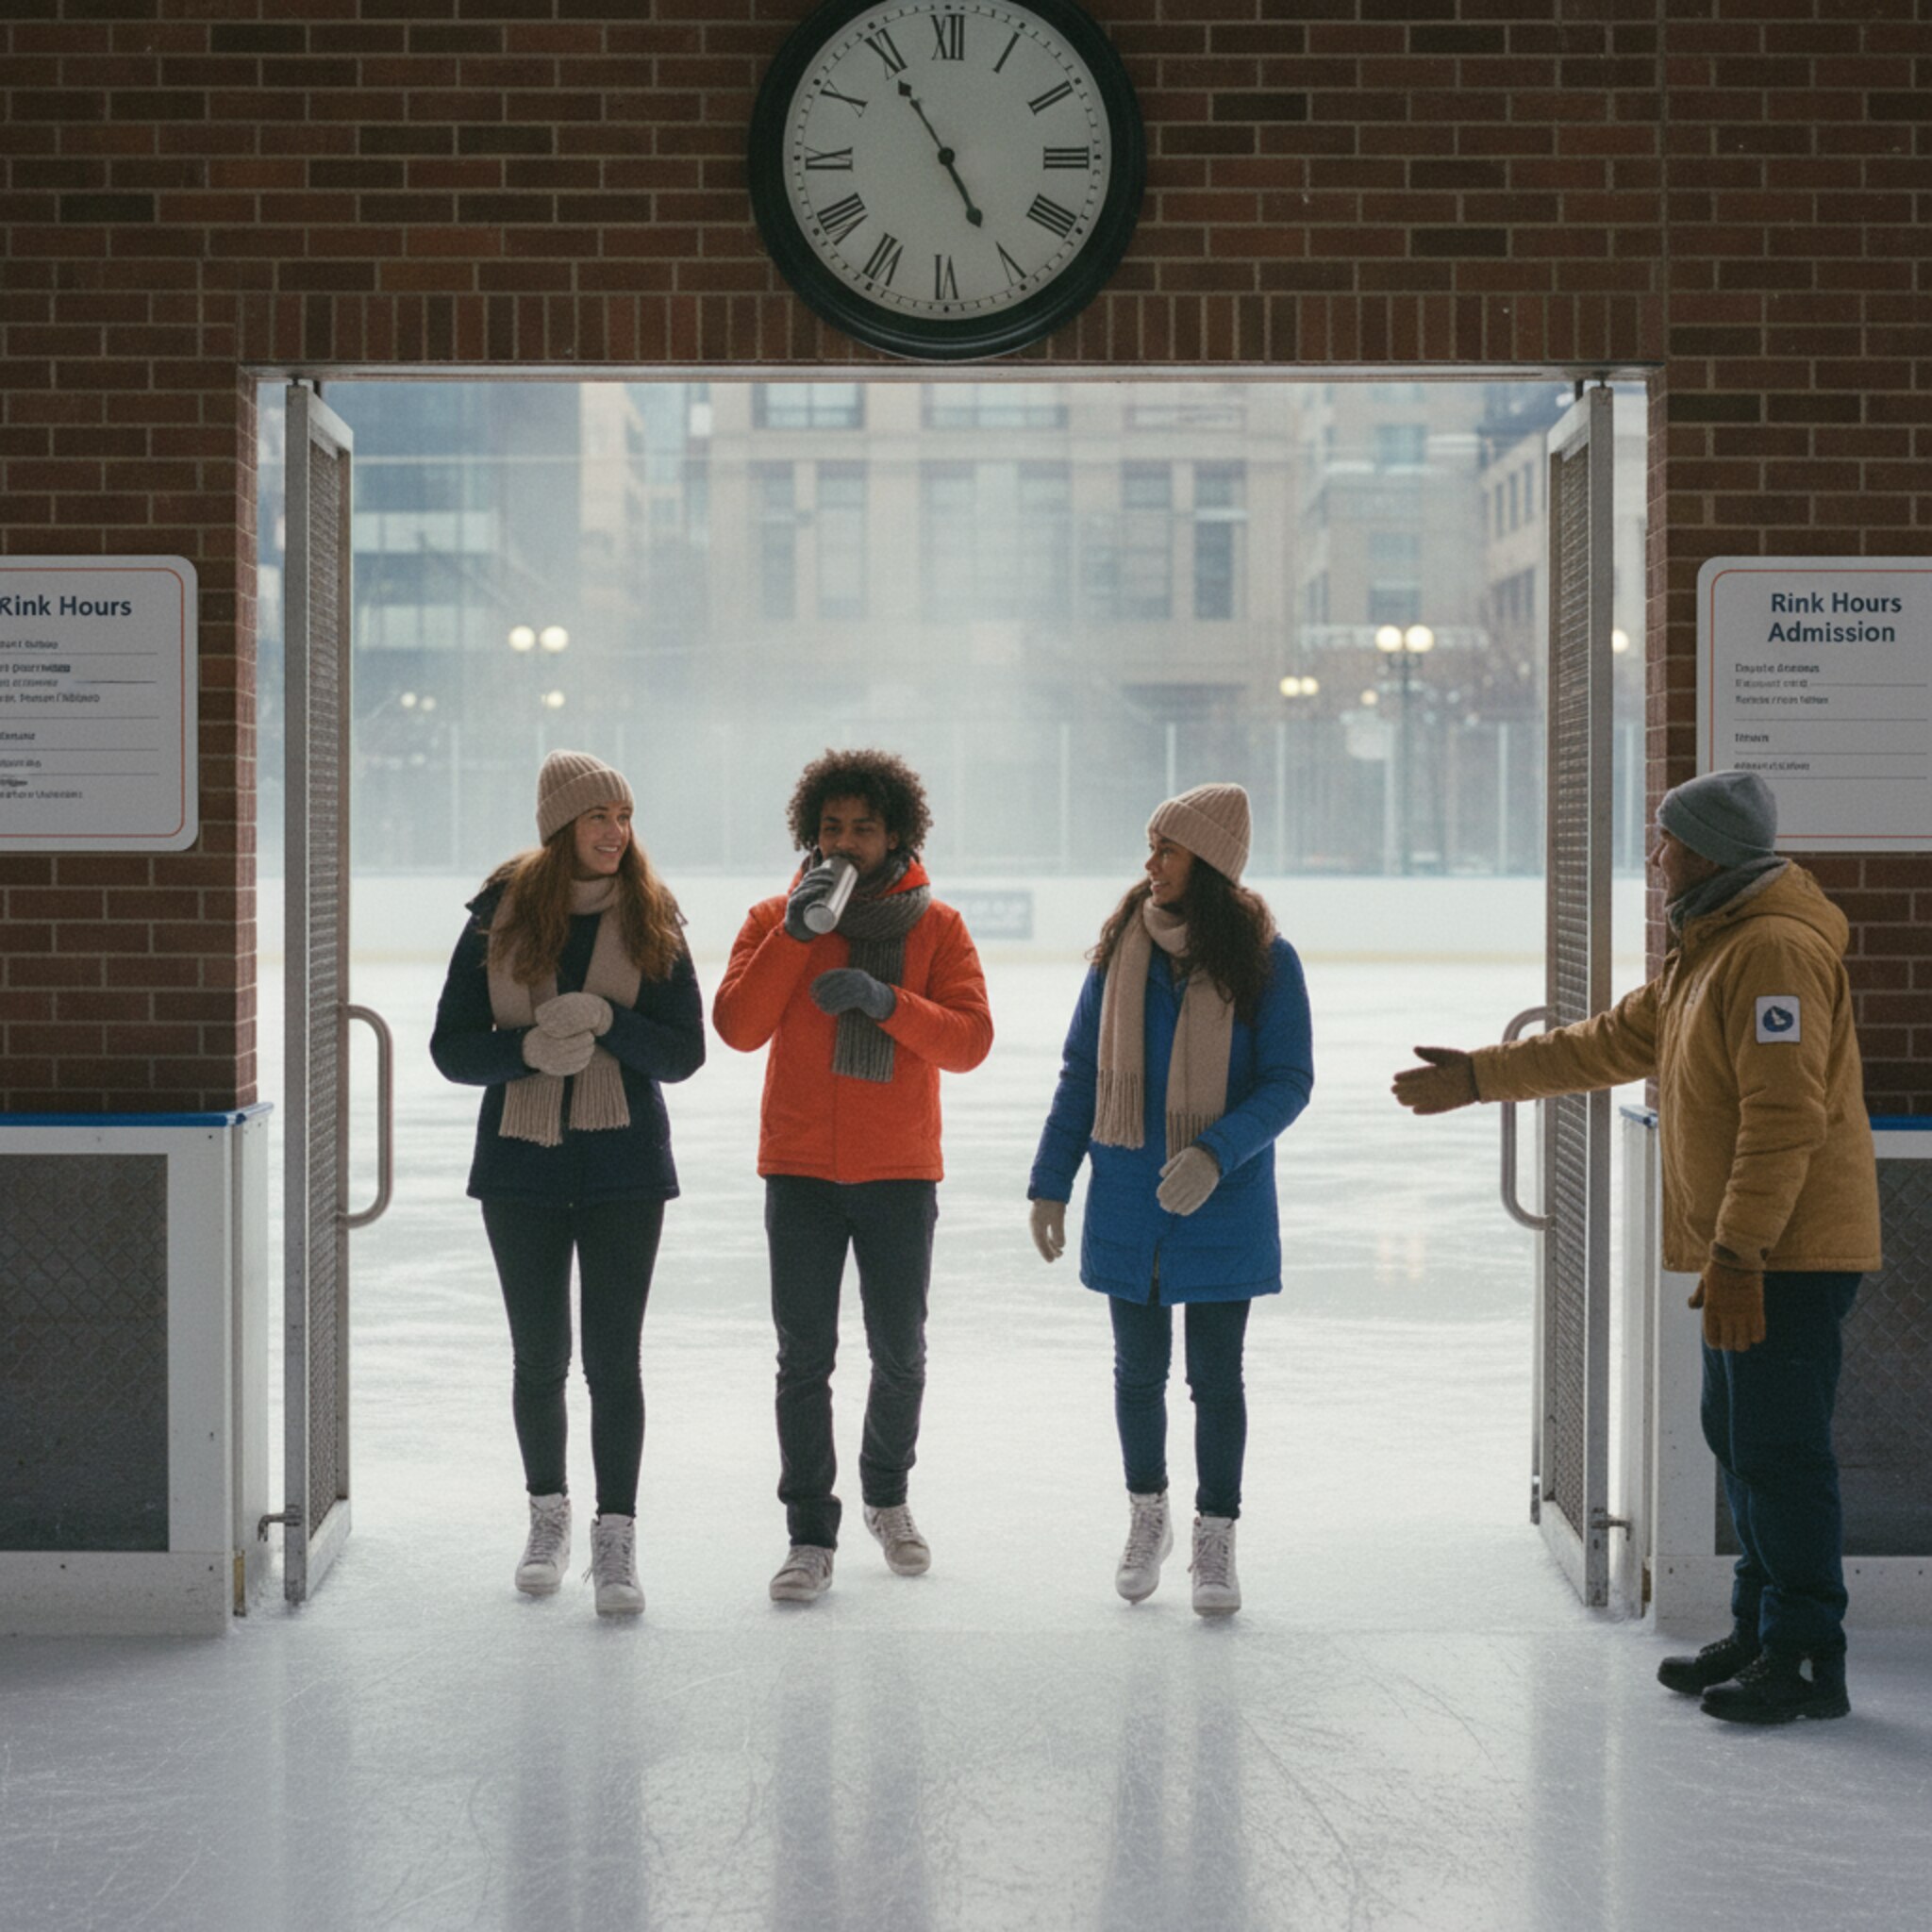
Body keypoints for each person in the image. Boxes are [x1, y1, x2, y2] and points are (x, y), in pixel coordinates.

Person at [1391, 769, 1880, 1723]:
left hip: (1785, 1254)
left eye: (1664, 839)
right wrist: (1484, 1075)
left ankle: (1806, 1651)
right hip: (1744, 1254)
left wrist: (1738, 1253)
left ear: (1705, 847)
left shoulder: (1770, 949)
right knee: (1737, 1443)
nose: (1653, 855)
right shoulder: (1713, 944)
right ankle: (1759, 1626)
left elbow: (1785, 1118)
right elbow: (1612, 1040)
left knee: (1777, 1453)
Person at [712, 749, 993, 1605]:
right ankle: (808, 1533)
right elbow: (736, 1027)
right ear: (810, 833)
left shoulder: (936, 928)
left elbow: (970, 1041)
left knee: (899, 1354)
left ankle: (887, 1494)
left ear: (896, 835)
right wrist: (794, 940)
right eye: (831, 827)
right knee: (804, 1359)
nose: (845, 841)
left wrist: (884, 1001)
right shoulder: (774, 917)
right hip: (797, 1169)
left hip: (899, 1173)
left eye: (863, 828)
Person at [1028, 784, 1314, 1616]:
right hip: (1126, 1193)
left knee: (1216, 1377)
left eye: (1167, 850)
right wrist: (1052, 1181)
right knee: (1137, 1372)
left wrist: (1216, 1153)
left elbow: (1289, 1081)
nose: (1150, 864)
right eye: (1150, 847)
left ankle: (1215, 1535)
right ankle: (1146, 1515)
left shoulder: (1266, 961)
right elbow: (1082, 1072)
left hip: (1221, 1200)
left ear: (1211, 865)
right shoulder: (1123, 950)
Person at [430, 750, 705, 1615]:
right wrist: (525, 1052)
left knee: (613, 1362)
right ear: (560, 828)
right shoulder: (497, 923)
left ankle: (615, 1540)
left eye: (623, 818)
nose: (615, 833)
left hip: (625, 1167)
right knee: (540, 1357)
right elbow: (449, 1047)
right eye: (598, 818)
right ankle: (547, 1516)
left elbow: (686, 1052)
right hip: (521, 1170)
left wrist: (612, 1024)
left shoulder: (654, 917)